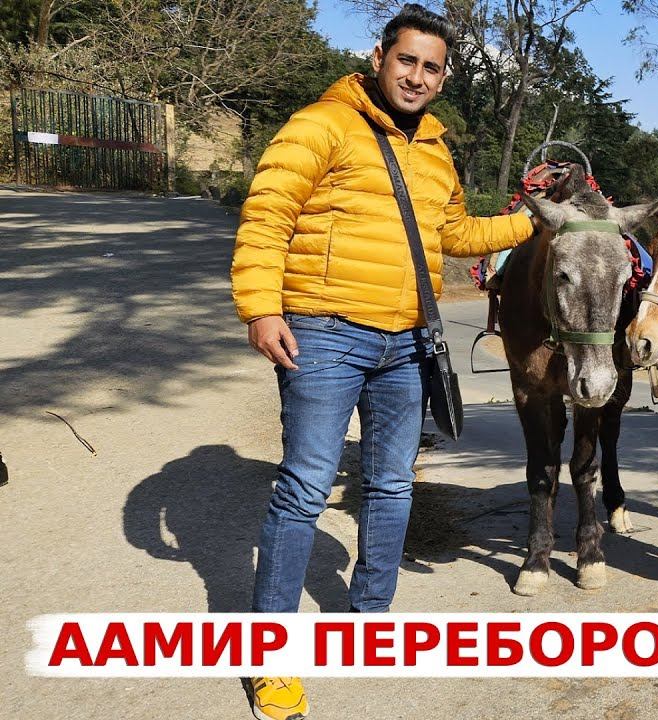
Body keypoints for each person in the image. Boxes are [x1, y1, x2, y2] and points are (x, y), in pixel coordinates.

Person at [229, 5, 534, 718]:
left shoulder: (435, 148)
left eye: (432, 67)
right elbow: (267, 213)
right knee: (305, 488)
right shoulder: (322, 124)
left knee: (393, 485)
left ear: (444, 77)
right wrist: (261, 307)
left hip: (407, 342)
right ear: (379, 57)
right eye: (407, 60)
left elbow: (455, 233)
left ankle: (370, 619)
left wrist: (533, 218)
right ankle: (271, 656)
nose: (417, 76)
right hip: (324, 333)